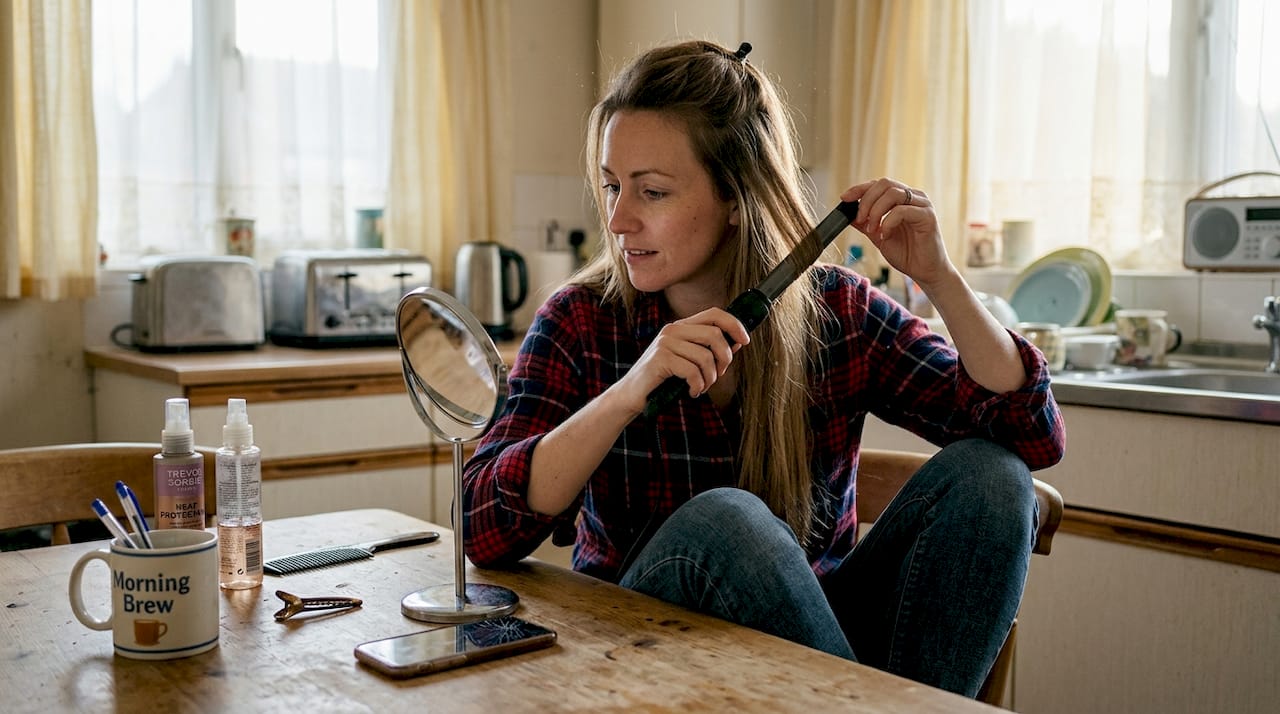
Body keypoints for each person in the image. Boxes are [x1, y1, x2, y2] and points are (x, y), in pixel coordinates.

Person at [461, 39, 1065, 697]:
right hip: (637, 660)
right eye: (611, 187)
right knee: (726, 522)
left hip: (812, 656)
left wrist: (941, 278)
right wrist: (629, 392)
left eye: (652, 191)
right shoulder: (581, 320)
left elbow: (1030, 435)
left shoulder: (840, 309)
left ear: (736, 195)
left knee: (993, 477)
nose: (618, 219)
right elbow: (484, 526)